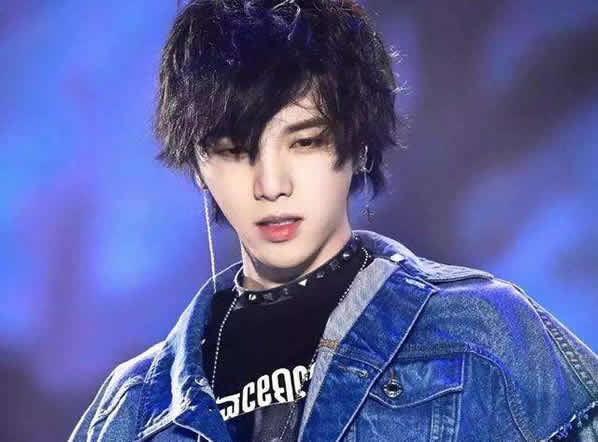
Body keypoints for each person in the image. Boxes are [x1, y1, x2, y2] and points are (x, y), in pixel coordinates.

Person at [69, 0, 598, 441]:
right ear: (199, 164)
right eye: (233, 149)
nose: (270, 184)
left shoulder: (480, 333)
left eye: (305, 141)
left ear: (359, 143)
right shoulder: (133, 408)